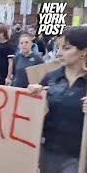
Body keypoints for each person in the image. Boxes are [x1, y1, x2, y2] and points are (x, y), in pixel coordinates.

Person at [28, 26, 87, 173]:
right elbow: (32, 113)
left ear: (83, 52)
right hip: (48, 150)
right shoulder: (51, 78)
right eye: (58, 47)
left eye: (66, 48)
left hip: (78, 155)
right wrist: (32, 95)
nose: (59, 53)